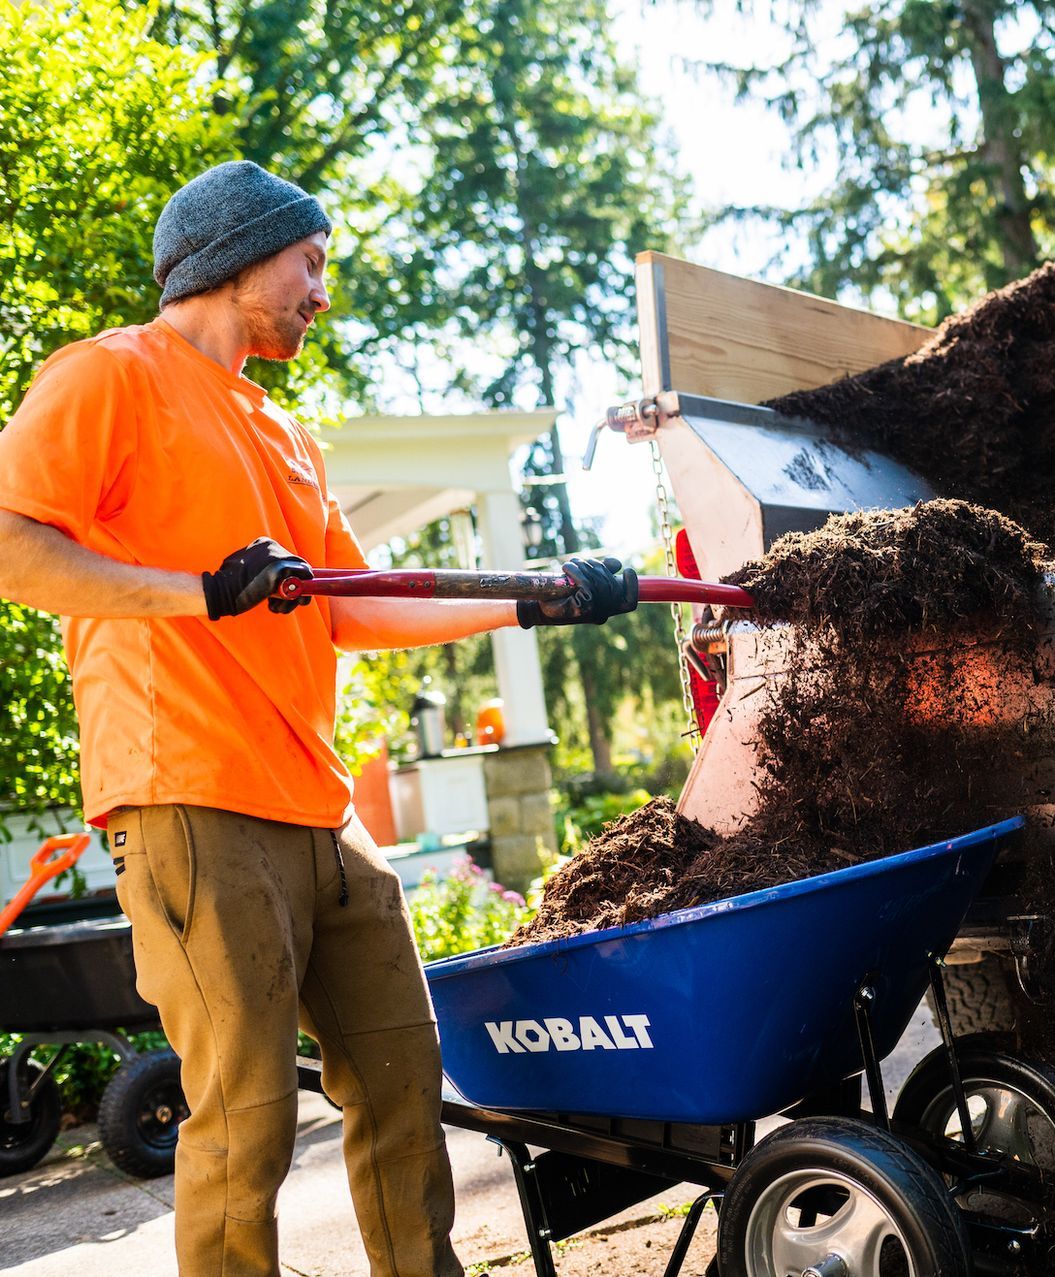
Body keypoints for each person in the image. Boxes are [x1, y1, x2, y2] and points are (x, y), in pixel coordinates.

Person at [0, 160, 635, 1276]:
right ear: (241, 256)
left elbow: (355, 606)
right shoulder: (112, 377)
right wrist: (201, 589)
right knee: (244, 1114)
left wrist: (533, 594)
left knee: (401, 1078)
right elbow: (12, 539)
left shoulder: (284, 432)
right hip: (187, 791)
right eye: (311, 262)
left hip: (320, 809)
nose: (321, 291)